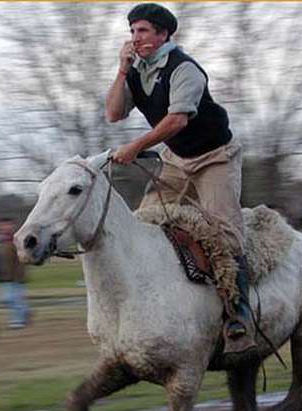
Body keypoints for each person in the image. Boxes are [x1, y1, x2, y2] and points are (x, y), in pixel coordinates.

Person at [106, 3, 255, 355]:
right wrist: (121, 70)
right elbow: (113, 114)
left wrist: (135, 147)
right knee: (146, 223)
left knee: (227, 237)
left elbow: (177, 121)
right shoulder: (135, 71)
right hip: (177, 159)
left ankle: (239, 316)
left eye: (142, 30)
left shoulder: (185, 69)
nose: (135, 38)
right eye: (132, 31)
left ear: (163, 34)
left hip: (215, 156)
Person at [0, 217, 32, 329]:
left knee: (14, 299)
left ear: (12, 226)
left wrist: (20, 276)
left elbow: (23, 259)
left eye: (7, 225)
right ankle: (26, 311)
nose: (4, 228)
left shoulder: (18, 240)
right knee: (5, 299)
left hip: (16, 277)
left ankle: (17, 321)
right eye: (1, 226)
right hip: (3, 278)